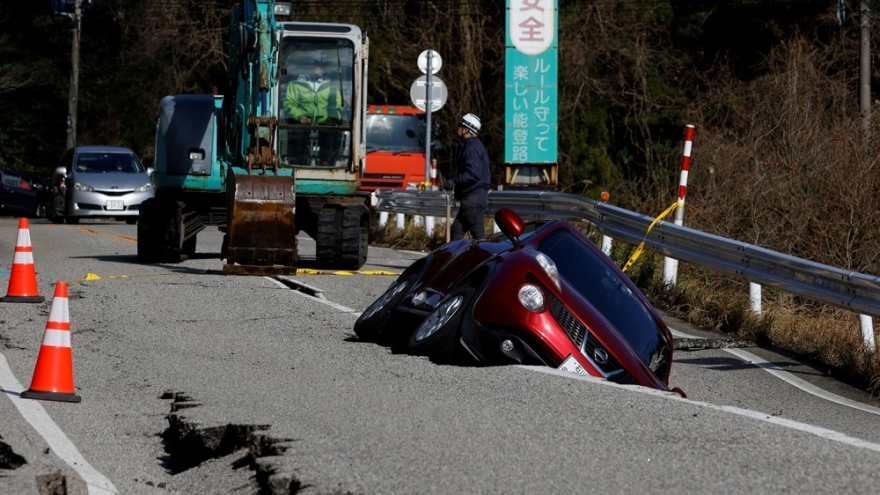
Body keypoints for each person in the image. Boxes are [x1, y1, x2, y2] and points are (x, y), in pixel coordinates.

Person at [283, 51, 344, 165]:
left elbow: (336, 104)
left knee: (331, 133)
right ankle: (301, 161)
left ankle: (325, 161)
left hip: (324, 121)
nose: (321, 69)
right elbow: (289, 103)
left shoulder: (331, 85)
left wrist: (333, 117)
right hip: (303, 121)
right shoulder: (296, 84)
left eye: (323, 66)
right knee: (299, 134)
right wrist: (299, 115)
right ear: (310, 67)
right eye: (318, 66)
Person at [444, 113, 491, 241]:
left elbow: (473, 174)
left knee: (479, 237)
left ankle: (484, 260)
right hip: (470, 199)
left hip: (473, 199)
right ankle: (457, 259)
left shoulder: (471, 148)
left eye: (461, 125)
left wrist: (454, 181)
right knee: (457, 232)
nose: (458, 127)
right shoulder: (471, 145)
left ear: (466, 129)